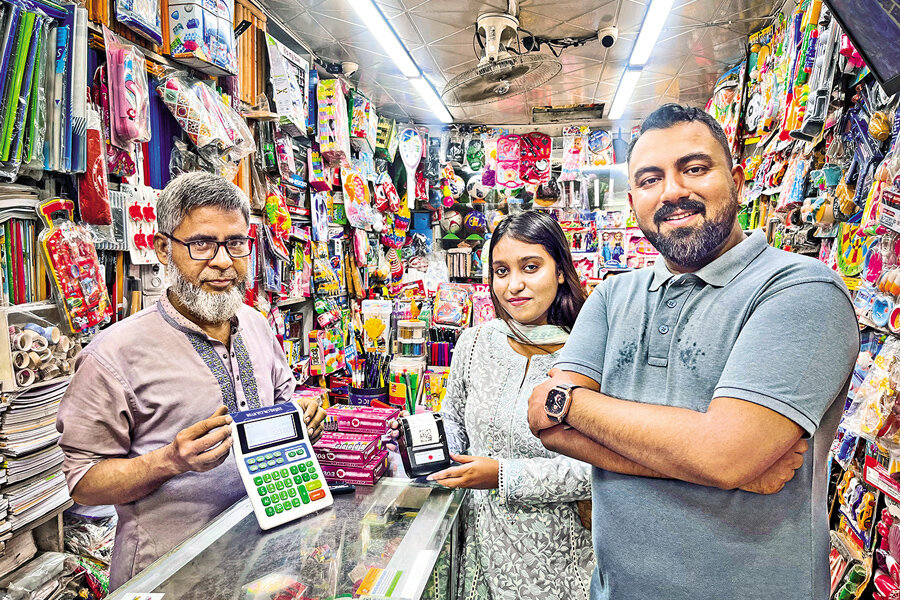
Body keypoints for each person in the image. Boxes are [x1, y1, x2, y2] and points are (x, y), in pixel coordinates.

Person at [527, 104, 859, 599]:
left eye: (695, 169)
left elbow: (726, 454)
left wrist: (573, 403)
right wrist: (724, 469)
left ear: (738, 179)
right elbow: (543, 421)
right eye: (649, 179)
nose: (673, 192)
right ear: (634, 197)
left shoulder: (802, 291)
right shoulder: (613, 297)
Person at [56, 172, 327, 589]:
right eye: (201, 243)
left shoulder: (256, 325)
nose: (222, 261)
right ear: (164, 248)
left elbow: (285, 400)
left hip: (263, 556)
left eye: (236, 243)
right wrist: (171, 460)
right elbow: (84, 484)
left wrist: (306, 413)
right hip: (170, 574)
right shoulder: (114, 354)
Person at [415, 210, 596, 600]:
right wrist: (423, 440)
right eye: (501, 271)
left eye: (530, 267)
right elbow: (454, 421)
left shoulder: (588, 356)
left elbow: (599, 469)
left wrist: (501, 475)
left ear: (560, 271)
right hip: (481, 553)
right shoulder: (476, 343)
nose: (514, 285)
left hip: (555, 563)